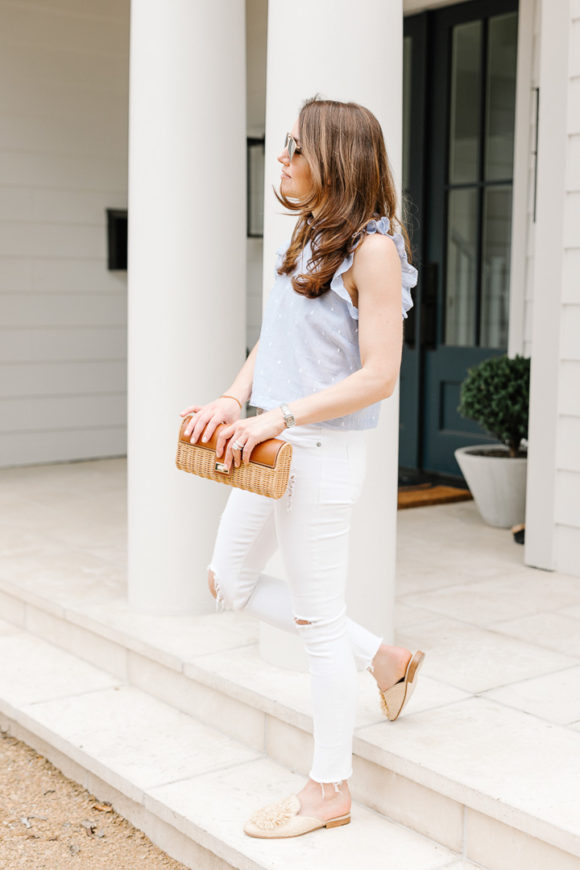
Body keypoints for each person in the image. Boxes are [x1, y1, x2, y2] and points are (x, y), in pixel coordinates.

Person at [179, 96, 425, 839]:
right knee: (230, 579)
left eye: (296, 147)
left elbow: (380, 375)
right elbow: (275, 339)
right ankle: (384, 657)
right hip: (273, 440)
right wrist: (232, 398)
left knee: (317, 624)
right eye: (284, 145)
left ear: (338, 158)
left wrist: (279, 415)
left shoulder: (374, 250)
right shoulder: (312, 234)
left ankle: (329, 791)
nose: (282, 158)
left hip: (319, 451)